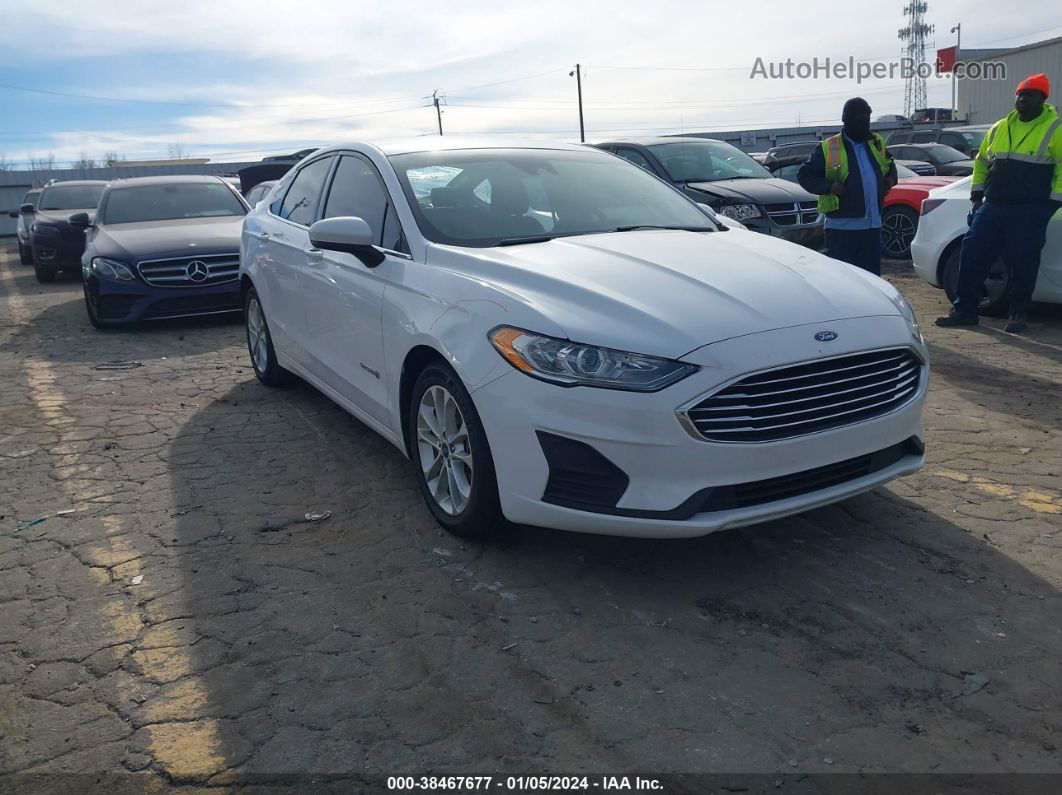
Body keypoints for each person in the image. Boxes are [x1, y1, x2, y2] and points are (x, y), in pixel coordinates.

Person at [936, 73, 1062, 334]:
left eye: (1030, 95)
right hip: (993, 206)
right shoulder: (1000, 127)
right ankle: (965, 310)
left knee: (1023, 262)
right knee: (971, 254)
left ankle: (1018, 313)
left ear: (1042, 99)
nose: (1022, 99)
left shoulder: (1055, 129)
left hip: (1030, 209)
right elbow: (982, 162)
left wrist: (1049, 206)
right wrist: (976, 194)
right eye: (1020, 94)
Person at [798, 97, 897, 276]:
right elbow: (805, 175)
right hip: (842, 230)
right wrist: (829, 186)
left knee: (873, 282)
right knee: (845, 282)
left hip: (872, 227)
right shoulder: (829, 147)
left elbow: (890, 165)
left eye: (867, 119)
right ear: (847, 120)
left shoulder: (875, 142)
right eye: (860, 119)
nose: (864, 124)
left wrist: (890, 179)